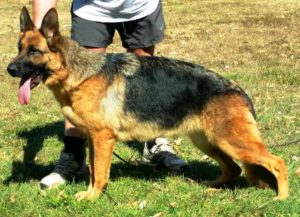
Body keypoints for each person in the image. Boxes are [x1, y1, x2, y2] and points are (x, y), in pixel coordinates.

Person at [32, 0, 187, 189]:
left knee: (144, 81)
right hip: (92, 9)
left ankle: (154, 144)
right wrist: (38, 33)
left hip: (141, 7)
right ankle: (73, 156)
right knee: (80, 89)